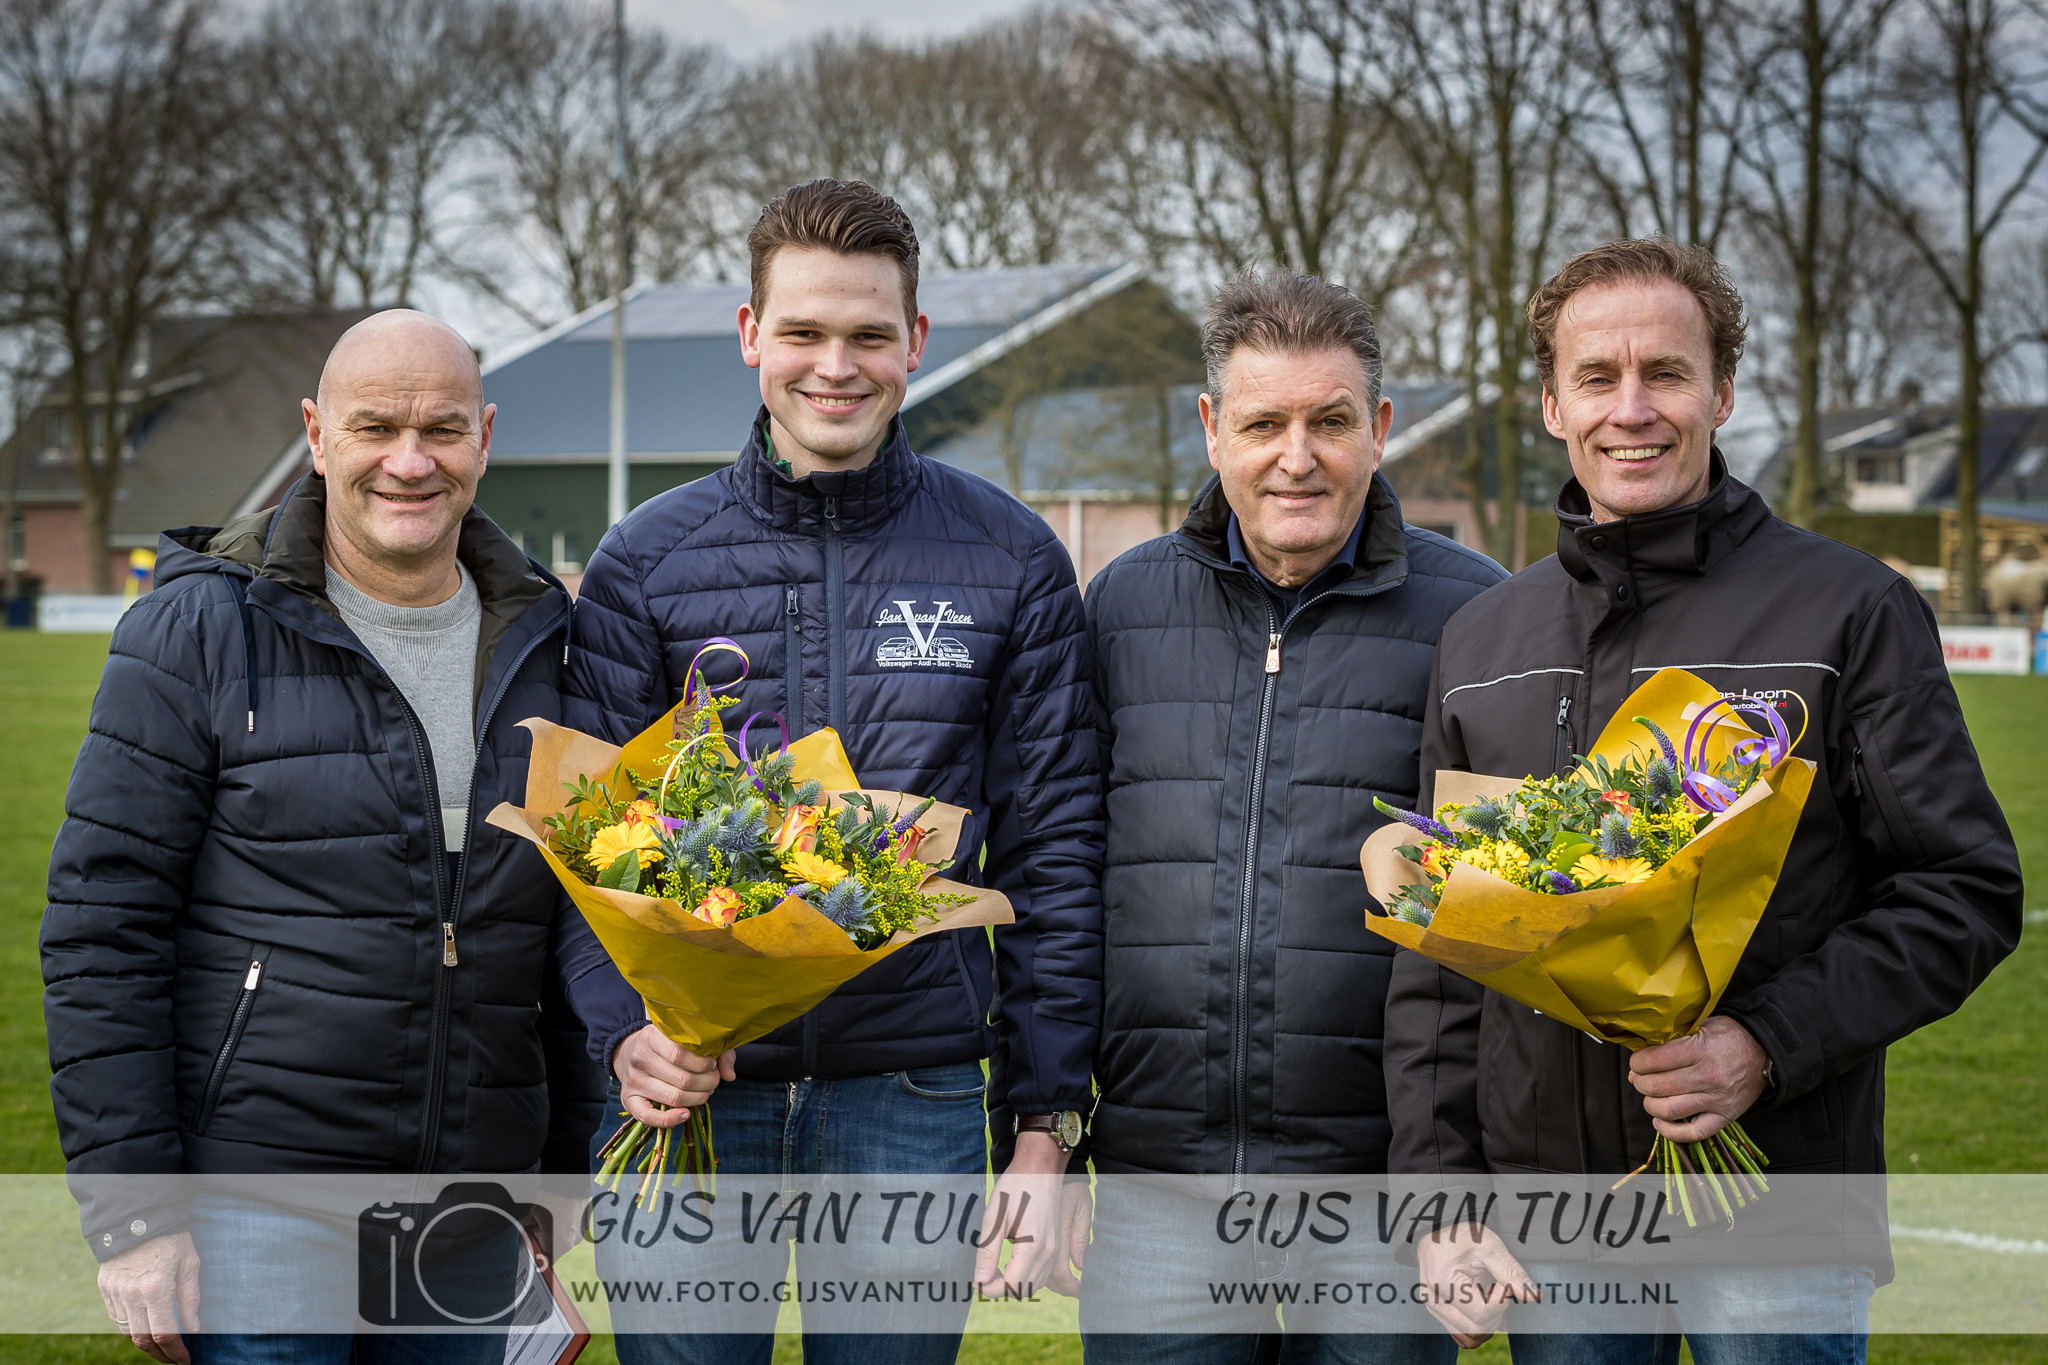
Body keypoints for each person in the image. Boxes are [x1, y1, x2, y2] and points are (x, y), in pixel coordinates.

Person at [1382, 237, 2023, 1362]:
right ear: (1551, 405)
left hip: (1777, 1209)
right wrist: (1440, 1195)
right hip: (1557, 1223)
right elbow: (1441, 950)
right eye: (1596, 376)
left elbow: (1961, 888)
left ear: (1721, 392)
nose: (1630, 409)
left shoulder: (1849, 610)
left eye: (1665, 373)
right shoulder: (1482, 640)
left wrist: (1765, 1043)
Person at [556, 178, 1104, 1362]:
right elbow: (580, 845)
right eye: (803, 331)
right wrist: (620, 1035)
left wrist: (1043, 1125)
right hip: (695, 1096)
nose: (835, 367)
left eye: (867, 334)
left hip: (913, 1099)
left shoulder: (1010, 557)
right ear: (750, 334)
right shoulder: (642, 561)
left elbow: (1056, 854)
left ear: (915, 341)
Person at [41, 310, 598, 1364]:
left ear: (484, 437)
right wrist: (135, 1214)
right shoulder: (198, 630)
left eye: (440, 429)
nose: (409, 461)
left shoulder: (549, 645)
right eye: (374, 427)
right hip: (259, 1206)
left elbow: (575, 929)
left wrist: (563, 1169)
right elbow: (102, 930)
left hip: (472, 1211)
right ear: (316, 433)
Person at [1071, 270, 1509, 1363]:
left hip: (1381, 1189)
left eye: (1331, 422)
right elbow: (1064, 876)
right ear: (1212, 428)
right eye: (1264, 423)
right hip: (1157, 1185)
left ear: (1380, 428)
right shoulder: (1121, 604)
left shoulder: (1479, 616)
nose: (1296, 457)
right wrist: (1050, 1133)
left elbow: (1511, 918)